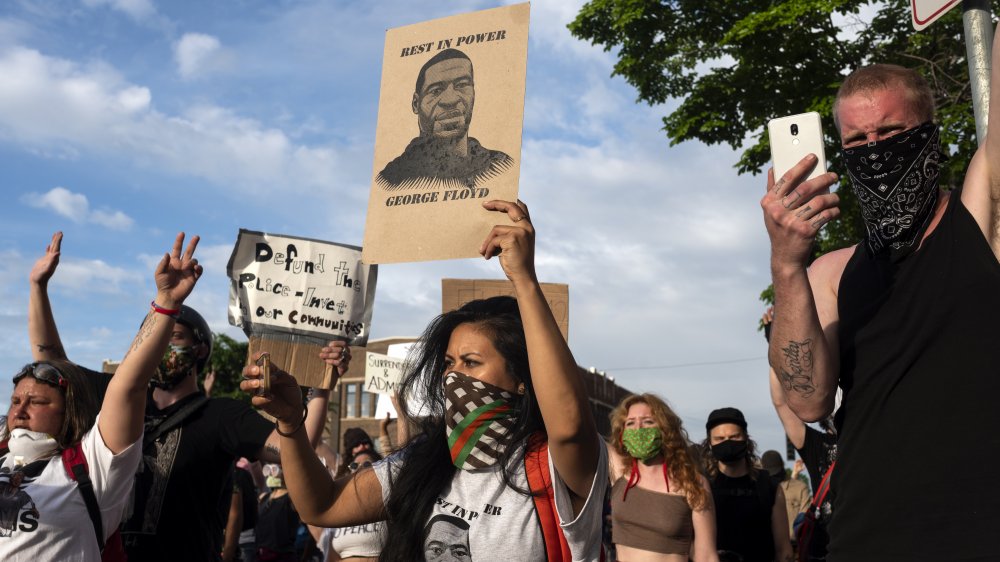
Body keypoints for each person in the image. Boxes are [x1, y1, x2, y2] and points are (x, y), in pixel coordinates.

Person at [242, 199, 607, 560]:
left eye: (471, 362)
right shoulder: (424, 460)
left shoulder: (554, 465)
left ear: (523, 379)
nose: (453, 376)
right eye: (449, 362)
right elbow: (322, 506)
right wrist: (291, 423)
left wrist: (524, 280)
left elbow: (571, 425)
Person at [761, 32, 1000, 558]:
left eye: (891, 132)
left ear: (931, 137)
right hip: (868, 537)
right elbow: (807, 399)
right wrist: (785, 261)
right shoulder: (827, 272)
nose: (876, 151)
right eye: (856, 143)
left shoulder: (981, 218)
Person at [27, 236, 350, 562]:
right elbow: (51, 364)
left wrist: (322, 386)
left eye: (174, 337)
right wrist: (38, 287)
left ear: (200, 348)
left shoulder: (221, 415)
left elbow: (300, 443)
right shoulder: (117, 399)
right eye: (157, 338)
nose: (163, 347)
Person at [1, 232, 202, 560]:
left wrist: (166, 303)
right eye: (15, 402)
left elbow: (128, 385)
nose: (20, 411)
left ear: (70, 412)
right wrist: (36, 286)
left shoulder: (91, 468)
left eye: (37, 402)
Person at [376, 48, 514, 190]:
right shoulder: (392, 179)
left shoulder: (499, 165)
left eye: (461, 85)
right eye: (436, 90)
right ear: (416, 103)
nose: (450, 100)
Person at [607, 393, 718, 562]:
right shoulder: (620, 470)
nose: (638, 429)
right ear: (622, 433)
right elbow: (578, 428)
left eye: (648, 421)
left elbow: (706, 555)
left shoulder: (691, 482)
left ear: (665, 430)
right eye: (630, 423)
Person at [703, 408, 792, 562]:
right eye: (719, 438)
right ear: (710, 443)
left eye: (734, 436)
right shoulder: (703, 486)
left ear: (745, 437)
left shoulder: (769, 486)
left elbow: (783, 549)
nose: (727, 442)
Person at [315, 449, 386, 562]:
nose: (360, 468)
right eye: (354, 465)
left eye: (367, 464)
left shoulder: (387, 506)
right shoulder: (338, 510)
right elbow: (331, 557)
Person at [760, 451, 810, 546]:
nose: (774, 477)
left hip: (794, 546)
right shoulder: (758, 488)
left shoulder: (800, 488)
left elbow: (804, 518)